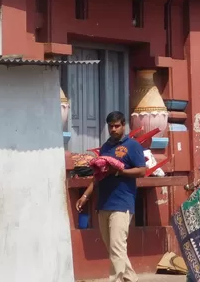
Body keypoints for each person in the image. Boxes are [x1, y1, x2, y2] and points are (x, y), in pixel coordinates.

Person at [75, 111, 149, 282]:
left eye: (117, 126)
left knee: (117, 247)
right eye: (110, 126)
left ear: (124, 126)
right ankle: (131, 279)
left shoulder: (133, 146)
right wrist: (85, 195)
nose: (113, 129)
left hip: (122, 203)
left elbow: (142, 171)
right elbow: (98, 175)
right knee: (113, 249)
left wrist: (120, 171)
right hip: (104, 203)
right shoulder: (106, 147)